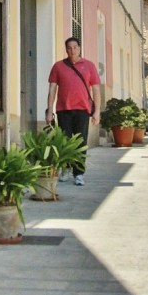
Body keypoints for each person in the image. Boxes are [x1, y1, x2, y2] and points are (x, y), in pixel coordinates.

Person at [45, 36, 101, 186]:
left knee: (81, 142)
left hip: (83, 110)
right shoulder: (58, 66)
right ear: (66, 50)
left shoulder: (89, 66)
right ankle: (65, 169)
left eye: (75, 47)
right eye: (69, 48)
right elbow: (52, 89)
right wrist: (50, 110)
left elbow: (96, 89)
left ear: (79, 48)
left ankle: (79, 173)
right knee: (64, 142)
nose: (72, 50)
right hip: (63, 110)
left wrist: (97, 112)